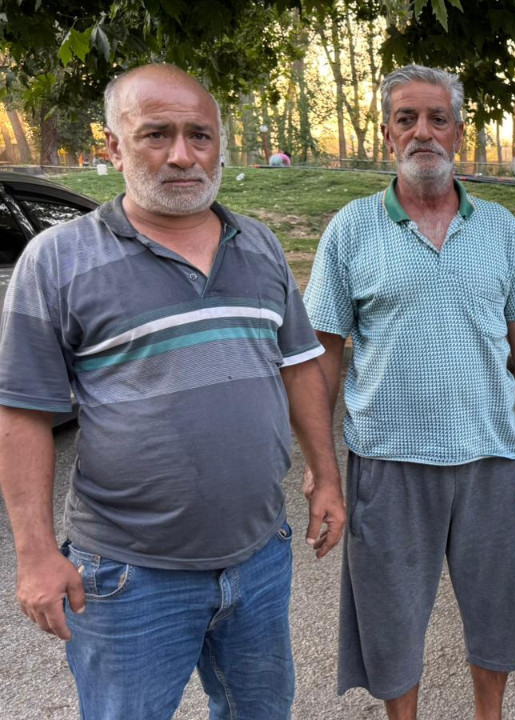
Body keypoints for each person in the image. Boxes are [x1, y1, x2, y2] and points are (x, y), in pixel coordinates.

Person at [0, 64, 346, 720]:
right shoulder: (58, 261)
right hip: (128, 575)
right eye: (156, 134)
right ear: (112, 146)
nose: (183, 155)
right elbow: (21, 416)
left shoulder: (262, 247)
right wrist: (37, 554)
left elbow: (301, 367)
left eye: (200, 135)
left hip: (258, 557)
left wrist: (326, 478)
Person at [303, 64, 515, 720]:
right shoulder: (351, 230)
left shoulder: (500, 229)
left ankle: (488, 715)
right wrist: (323, 472)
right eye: (407, 119)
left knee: (497, 611)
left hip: (491, 459)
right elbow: (322, 357)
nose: (423, 132)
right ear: (387, 134)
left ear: (459, 135)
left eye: (437, 119)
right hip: (388, 463)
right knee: (389, 619)